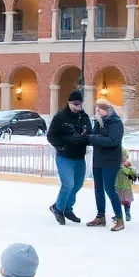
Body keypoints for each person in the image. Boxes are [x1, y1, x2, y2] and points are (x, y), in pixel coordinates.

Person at [46, 90, 92, 224]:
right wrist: (64, 145)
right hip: (64, 156)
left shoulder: (84, 117)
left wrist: (85, 138)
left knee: (77, 185)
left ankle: (67, 208)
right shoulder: (60, 117)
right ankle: (58, 209)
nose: (78, 107)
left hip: (79, 156)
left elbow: (89, 131)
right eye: (75, 104)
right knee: (68, 184)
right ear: (69, 103)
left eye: (80, 104)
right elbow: (51, 136)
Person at [87, 98, 125, 231]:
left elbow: (113, 141)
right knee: (98, 189)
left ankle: (119, 218)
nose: (97, 112)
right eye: (96, 109)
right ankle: (100, 216)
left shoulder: (116, 122)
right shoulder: (99, 122)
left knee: (109, 189)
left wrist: (93, 138)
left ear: (107, 110)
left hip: (111, 161)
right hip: (98, 160)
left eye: (100, 110)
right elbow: (93, 137)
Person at [116, 150, 137, 222]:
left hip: (126, 187)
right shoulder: (117, 167)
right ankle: (118, 214)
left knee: (127, 201)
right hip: (118, 187)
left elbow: (132, 175)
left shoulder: (128, 168)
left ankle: (127, 213)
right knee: (117, 201)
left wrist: (124, 167)